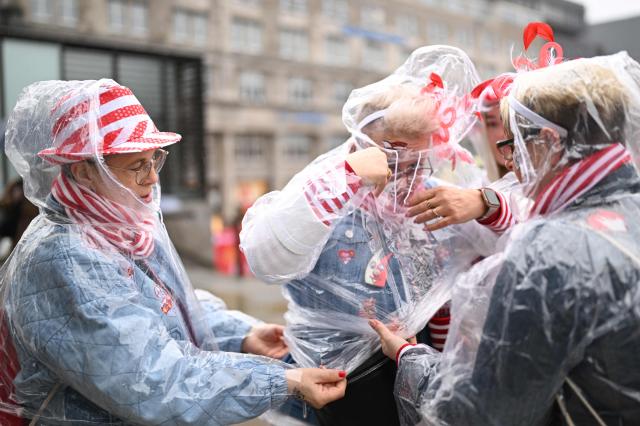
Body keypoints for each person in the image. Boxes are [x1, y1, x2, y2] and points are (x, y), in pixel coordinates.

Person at [0, 79, 346, 425]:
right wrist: (278, 380)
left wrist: (239, 335)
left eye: (154, 160)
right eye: (137, 165)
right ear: (84, 171)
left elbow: (163, 307)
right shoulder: (69, 259)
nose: (152, 178)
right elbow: (151, 379)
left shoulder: (116, 225)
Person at [371, 52, 640, 425]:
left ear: (548, 142)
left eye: (514, 144)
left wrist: (411, 360)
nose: (512, 162)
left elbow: (485, 413)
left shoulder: (549, 252)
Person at [241, 46, 496, 426]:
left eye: (421, 161)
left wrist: (483, 202)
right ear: (366, 142)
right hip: (330, 388)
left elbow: (506, 246)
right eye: (397, 159)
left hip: (414, 382)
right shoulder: (326, 191)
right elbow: (267, 257)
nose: (408, 175)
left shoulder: (436, 196)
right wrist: (344, 178)